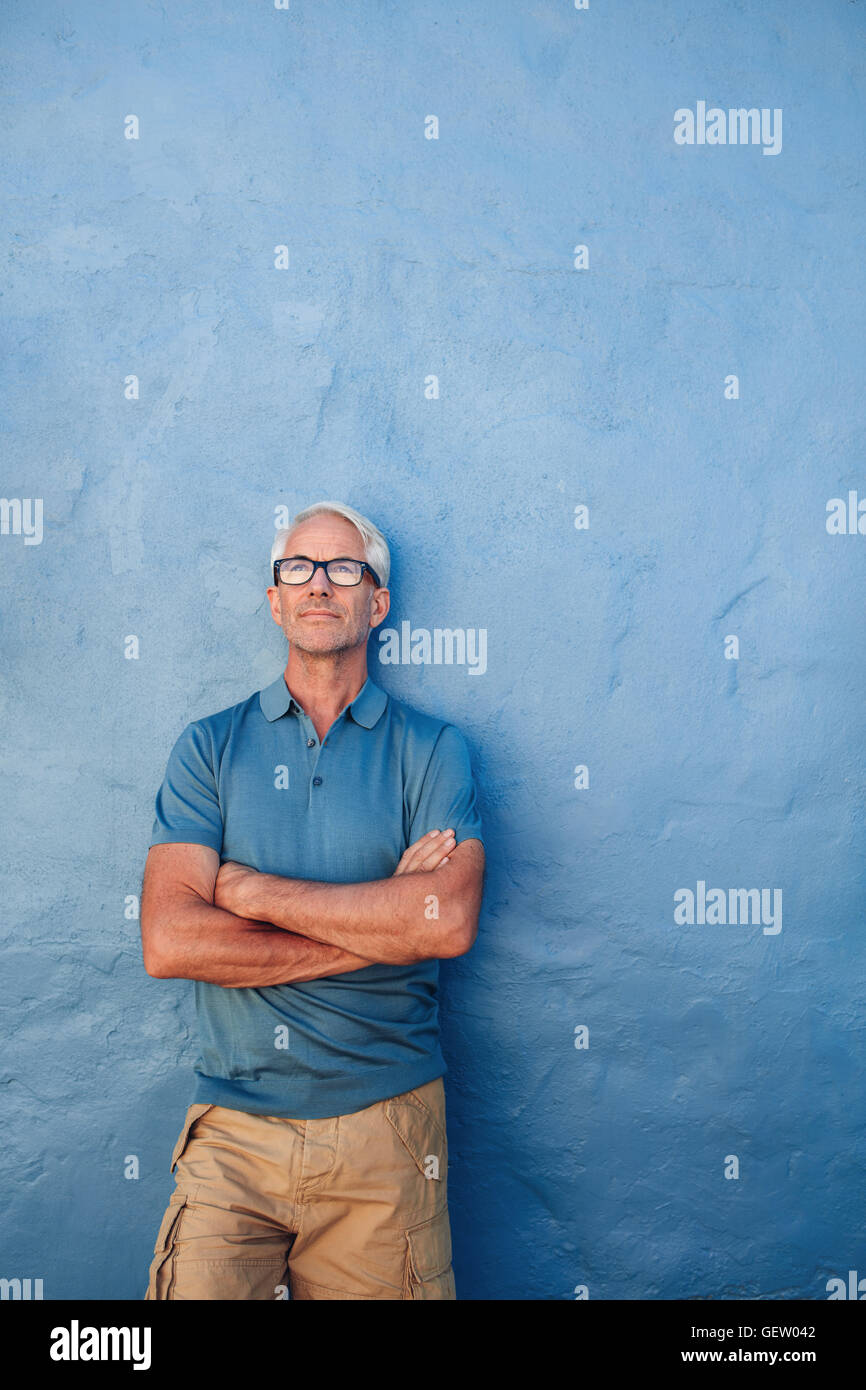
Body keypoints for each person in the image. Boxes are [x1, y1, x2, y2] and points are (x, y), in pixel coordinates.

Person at [140, 500, 485, 1299]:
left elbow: (449, 919)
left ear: (378, 601)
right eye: (298, 567)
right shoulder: (208, 747)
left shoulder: (433, 750)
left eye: (343, 569)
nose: (319, 584)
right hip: (232, 1132)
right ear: (274, 598)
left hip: (387, 1130)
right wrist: (384, 923)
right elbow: (172, 942)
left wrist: (250, 891)